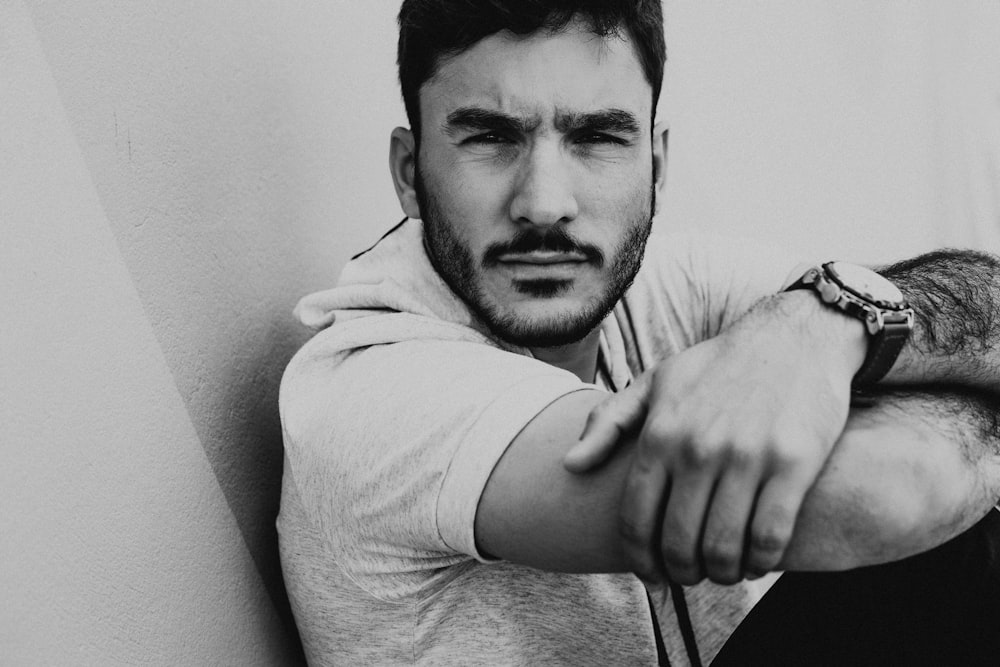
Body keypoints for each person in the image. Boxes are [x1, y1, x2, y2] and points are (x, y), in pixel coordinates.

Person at [277, 1, 1000, 664]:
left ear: (655, 163)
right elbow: (889, 494)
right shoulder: (375, 391)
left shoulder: (656, 287)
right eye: (491, 137)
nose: (545, 205)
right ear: (410, 172)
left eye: (595, 137)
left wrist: (818, 322)